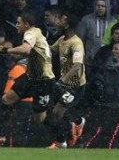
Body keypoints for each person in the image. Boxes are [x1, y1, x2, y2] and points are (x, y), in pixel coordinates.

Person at [0, 11, 54, 146]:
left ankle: (65, 130)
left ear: (26, 24)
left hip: (43, 80)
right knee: (6, 99)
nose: (16, 25)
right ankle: (0, 136)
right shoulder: (37, 32)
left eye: (19, 23)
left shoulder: (30, 33)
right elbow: (30, 53)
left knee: (40, 117)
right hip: (31, 77)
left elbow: (26, 49)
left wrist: (6, 50)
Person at [49, 10, 86, 148]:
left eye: (62, 20)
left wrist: (63, 79)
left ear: (68, 24)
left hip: (75, 86)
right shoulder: (61, 40)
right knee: (57, 111)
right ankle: (78, 122)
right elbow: (50, 50)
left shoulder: (76, 43)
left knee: (57, 113)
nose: (59, 22)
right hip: (64, 85)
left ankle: (60, 142)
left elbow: (77, 66)